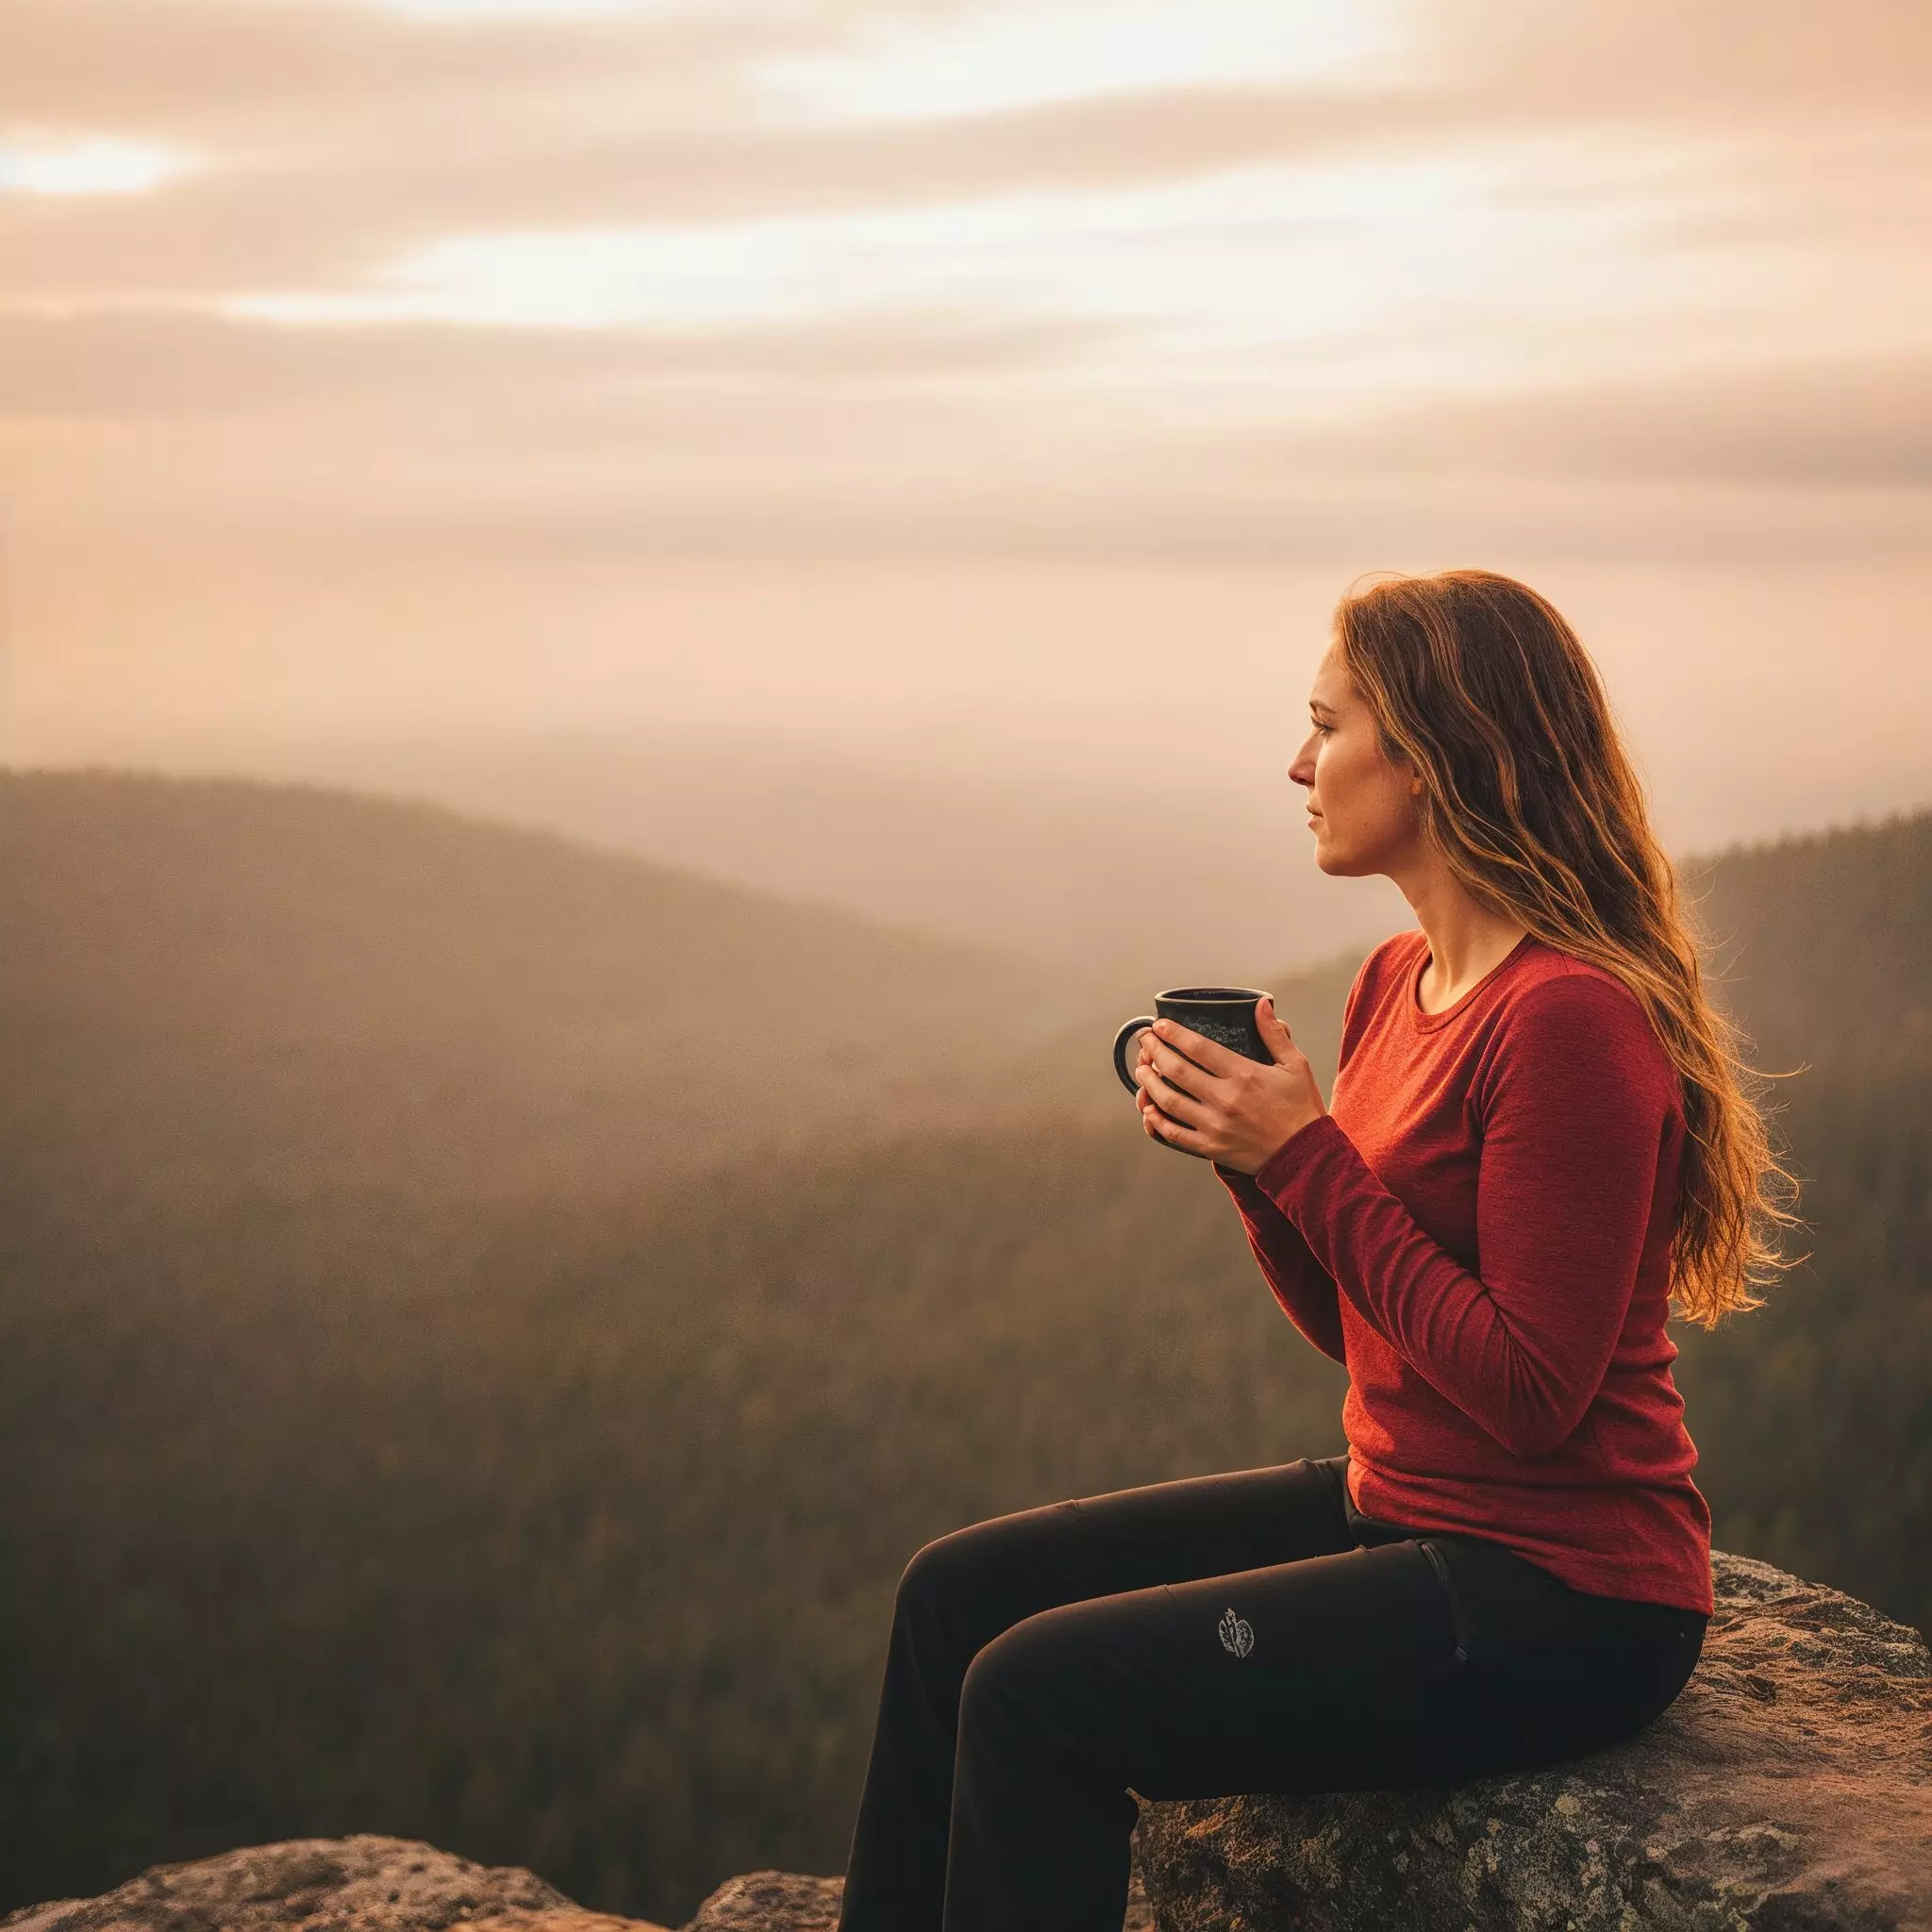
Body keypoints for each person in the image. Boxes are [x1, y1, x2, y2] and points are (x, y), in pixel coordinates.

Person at [833, 568, 1804, 1932]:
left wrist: (1304, 1157)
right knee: (956, 1598)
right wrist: (1257, 1165)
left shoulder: (1568, 1019)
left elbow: (1533, 1394)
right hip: (1403, 1505)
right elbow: (1367, 1325)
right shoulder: (1396, 983)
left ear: (1429, 754)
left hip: (1564, 1596)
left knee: (1038, 1695)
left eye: (1327, 725)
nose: (1298, 762)